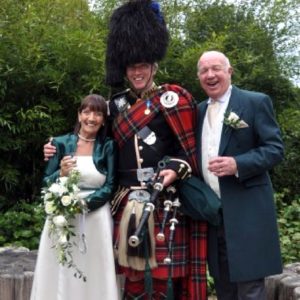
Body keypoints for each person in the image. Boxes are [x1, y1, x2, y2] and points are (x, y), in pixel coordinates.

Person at [43, 1, 208, 299]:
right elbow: (91, 141)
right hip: (124, 198)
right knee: (130, 279)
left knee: (163, 278)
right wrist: (55, 148)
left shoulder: (173, 99)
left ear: (154, 65)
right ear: (125, 68)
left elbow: (188, 151)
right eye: (132, 66)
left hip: (163, 198)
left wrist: (174, 169)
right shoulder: (115, 106)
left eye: (143, 65)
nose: (137, 72)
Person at [196, 50, 284, 300]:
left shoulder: (255, 102)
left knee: (250, 290)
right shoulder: (199, 110)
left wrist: (238, 164)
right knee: (224, 288)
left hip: (248, 213)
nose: (210, 75)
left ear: (229, 72)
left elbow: (275, 149)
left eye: (216, 68)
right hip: (214, 215)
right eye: (204, 70)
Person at [31, 94, 119, 300]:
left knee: (95, 267)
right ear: (79, 115)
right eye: (86, 112)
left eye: (98, 114)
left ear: (104, 120)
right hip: (62, 217)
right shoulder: (60, 143)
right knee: (60, 266)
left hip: (96, 217)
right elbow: (46, 182)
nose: (91, 118)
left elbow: (110, 185)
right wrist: (60, 174)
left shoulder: (108, 146)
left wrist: (83, 204)